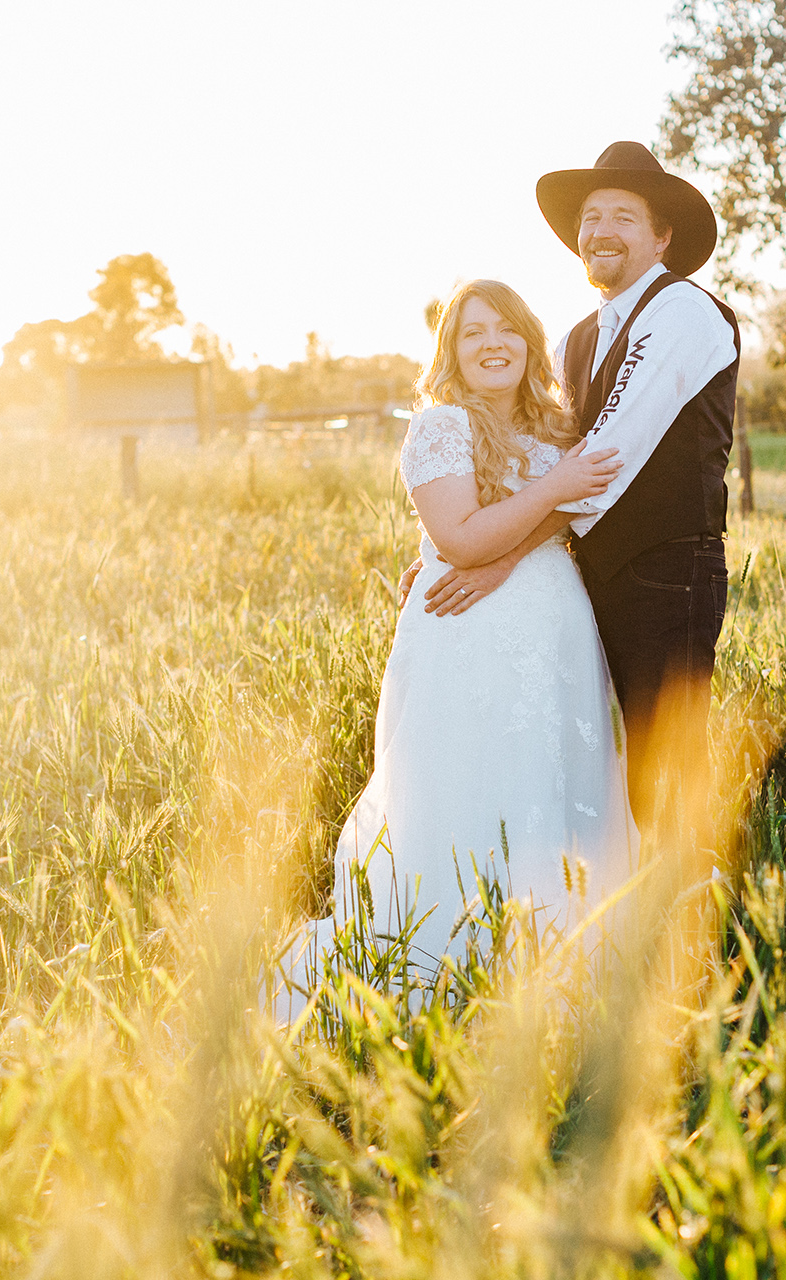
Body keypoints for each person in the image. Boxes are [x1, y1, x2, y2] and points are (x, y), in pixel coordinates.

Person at [293, 280, 638, 986]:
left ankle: (557, 956)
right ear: (450, 349)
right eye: (473, 332)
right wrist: (549, 492)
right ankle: (448, 960)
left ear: (529, 342)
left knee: (551, 779)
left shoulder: (555, 427)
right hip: (466, 630)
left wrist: (515, 541)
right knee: (467, 782)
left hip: (555, 633)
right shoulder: (441, 425)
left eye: (506, 329)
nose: (492, 344)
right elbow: (458, 536)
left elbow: (564, 519)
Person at [414, 142, 739, 825]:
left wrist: (495, 556)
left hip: (665, 574)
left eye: (623, 216)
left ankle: (694, 925)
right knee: (600, 765)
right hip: (586, 581)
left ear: (662, 236)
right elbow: (538, 455)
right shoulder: (578, 339)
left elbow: (598, 465)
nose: (600, 231)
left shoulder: (682, 312)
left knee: (666, 765)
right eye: (591, 217)